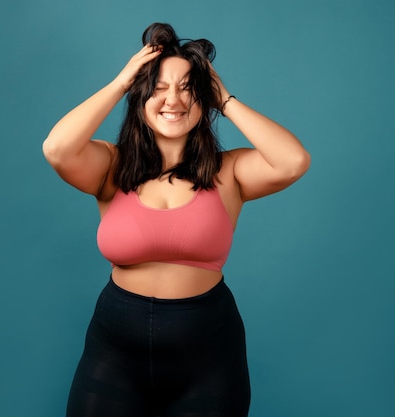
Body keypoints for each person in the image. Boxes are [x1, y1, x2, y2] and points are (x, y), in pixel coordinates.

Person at [42, 22, 310, 417]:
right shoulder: (111, 167)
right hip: (114, 353)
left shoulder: (229, 171)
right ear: (140, 95)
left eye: (188, 87)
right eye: (160, 87)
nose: (174, 100)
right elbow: (58, 148)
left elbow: (294, 161)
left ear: (204, 99)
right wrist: (121, 82)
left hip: (209, 357)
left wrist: (226, 98)